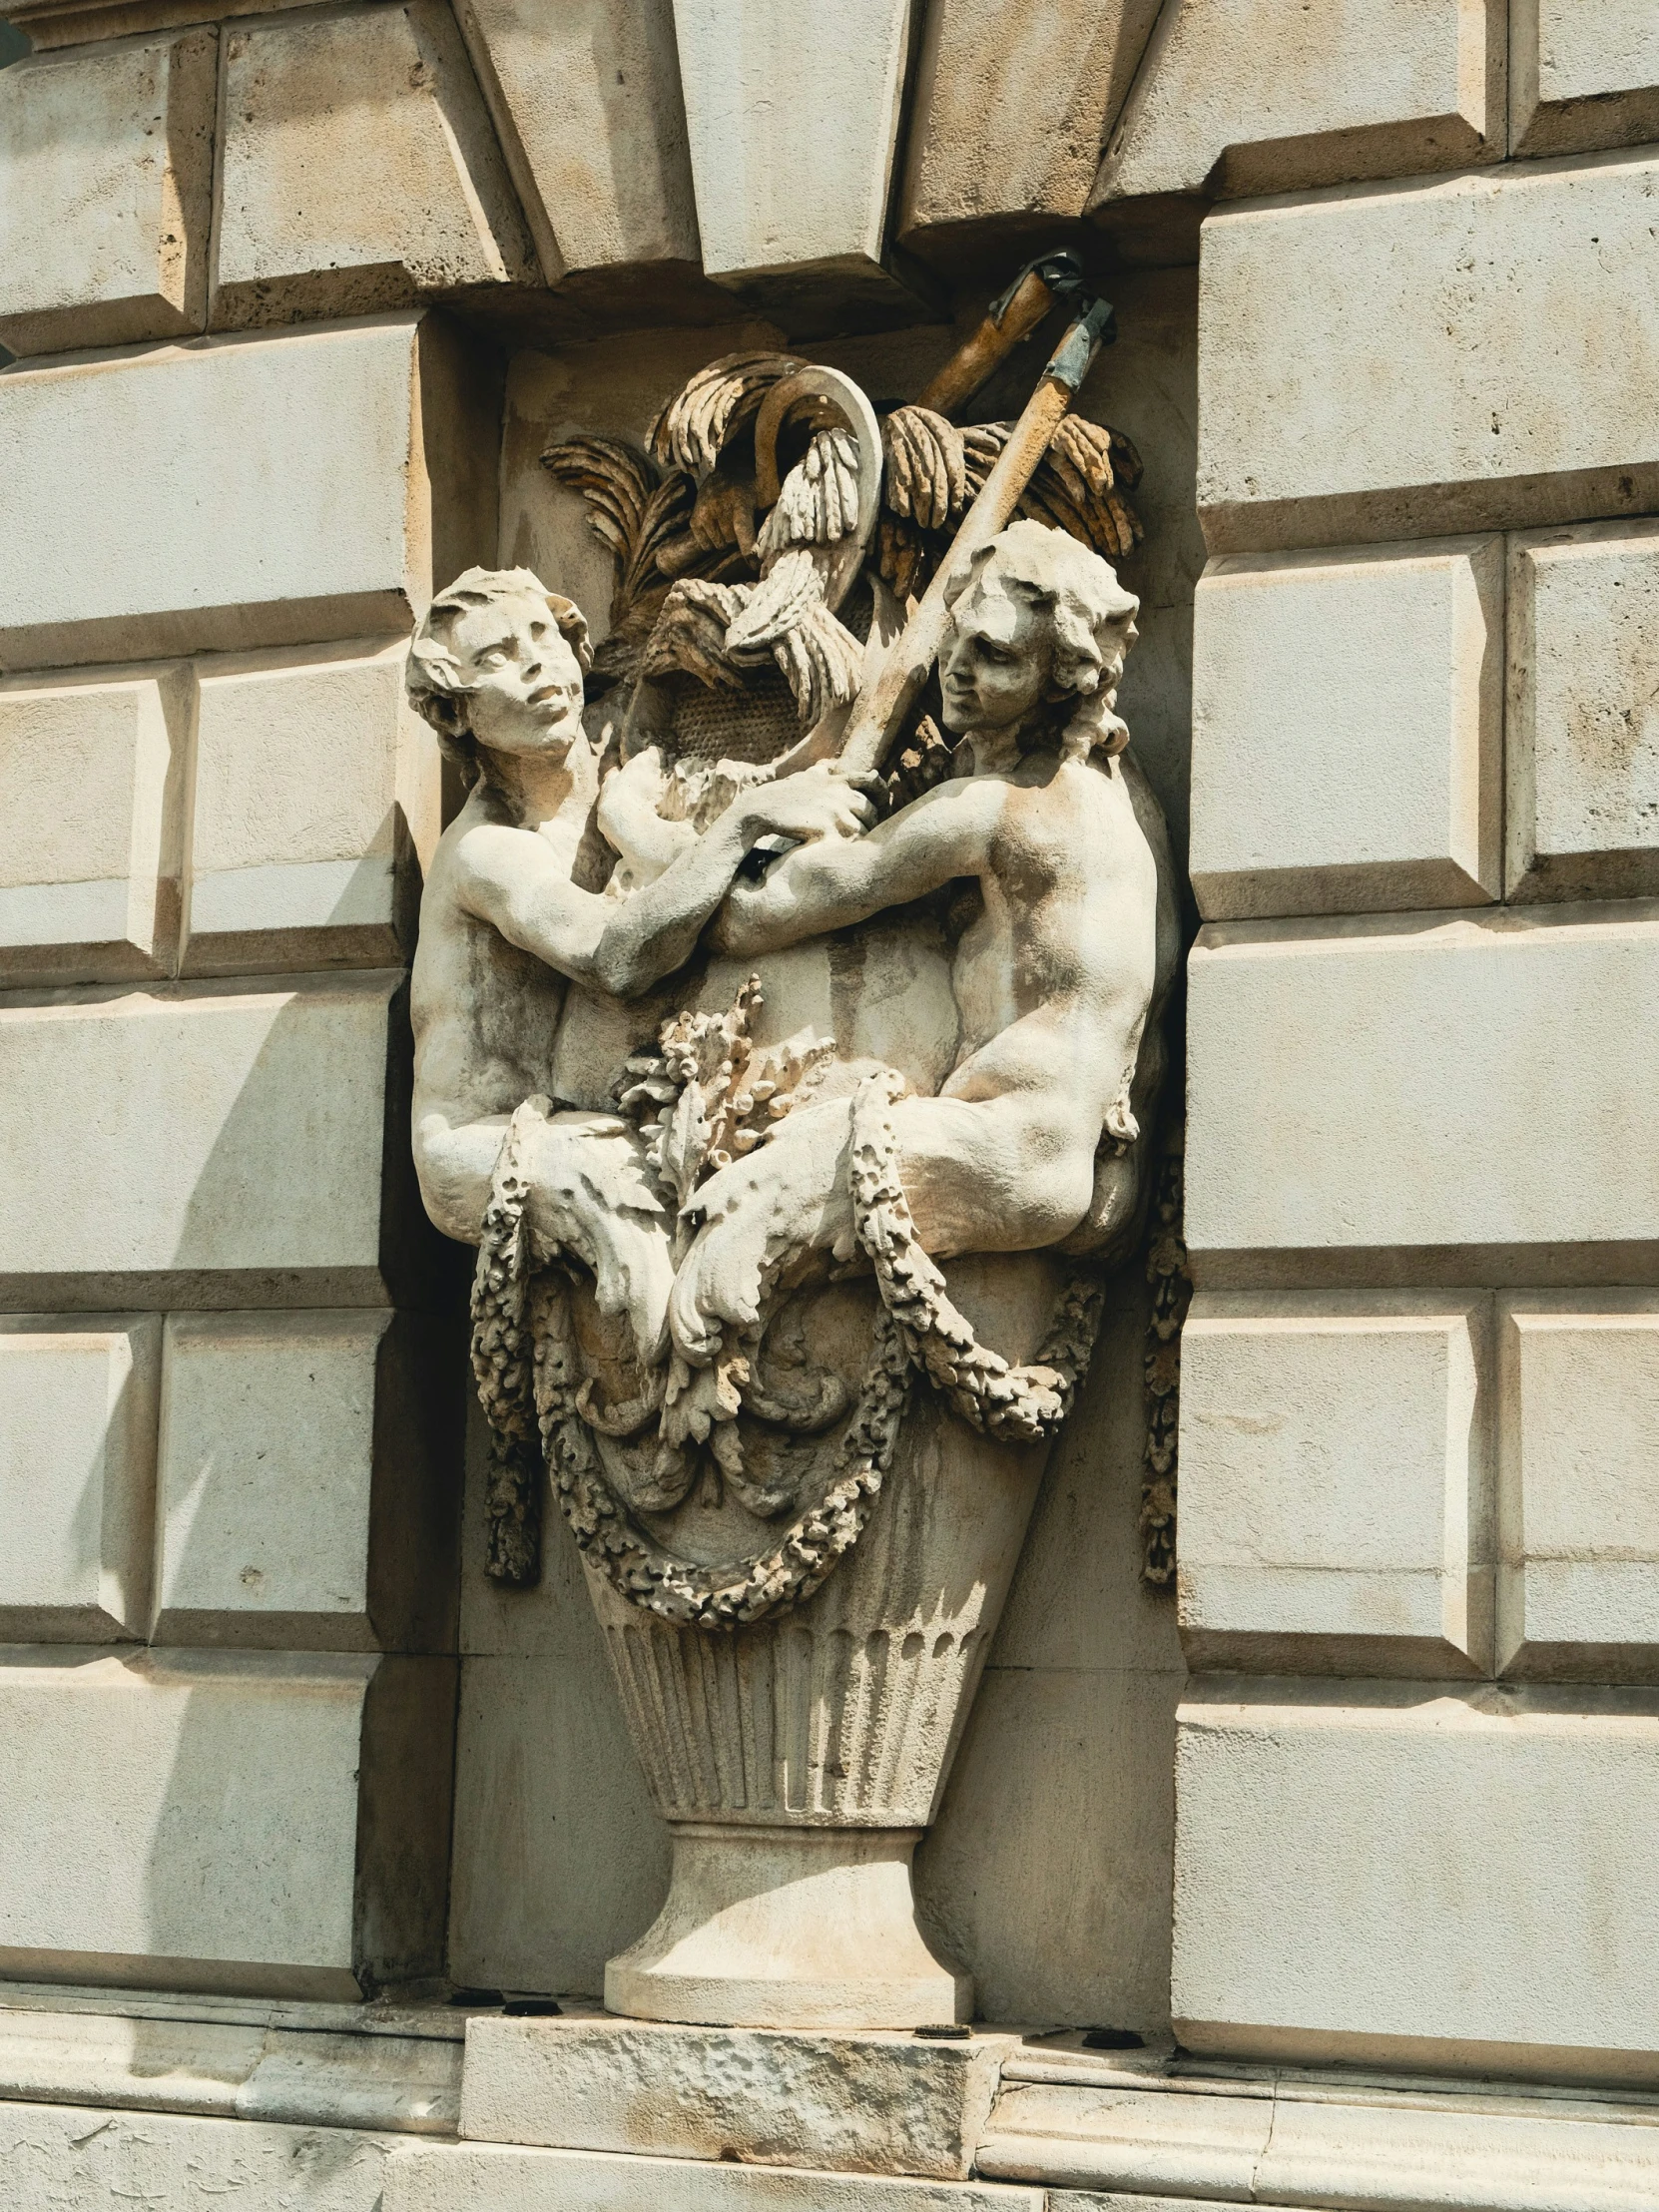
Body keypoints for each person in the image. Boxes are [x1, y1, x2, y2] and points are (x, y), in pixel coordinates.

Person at [669, 520, 1171, 1364]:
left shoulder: (991, 811)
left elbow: (758, 914)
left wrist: (692, 836)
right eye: (954, 638)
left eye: (999, 658)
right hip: (1095, 1178)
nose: (959, 670)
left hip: (1000, 1147)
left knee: (712, 1241)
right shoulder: (1131, 802)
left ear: (1060, 683)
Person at [404, 566, 872, 1361]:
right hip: (485, 1147)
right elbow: (616, 957)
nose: (535, 666)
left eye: (544, 637)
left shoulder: (619, 769)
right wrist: (748, 821)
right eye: (495, 658)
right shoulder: (487, 851)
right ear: (459, 711)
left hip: (588, 1117)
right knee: (671, 1312)